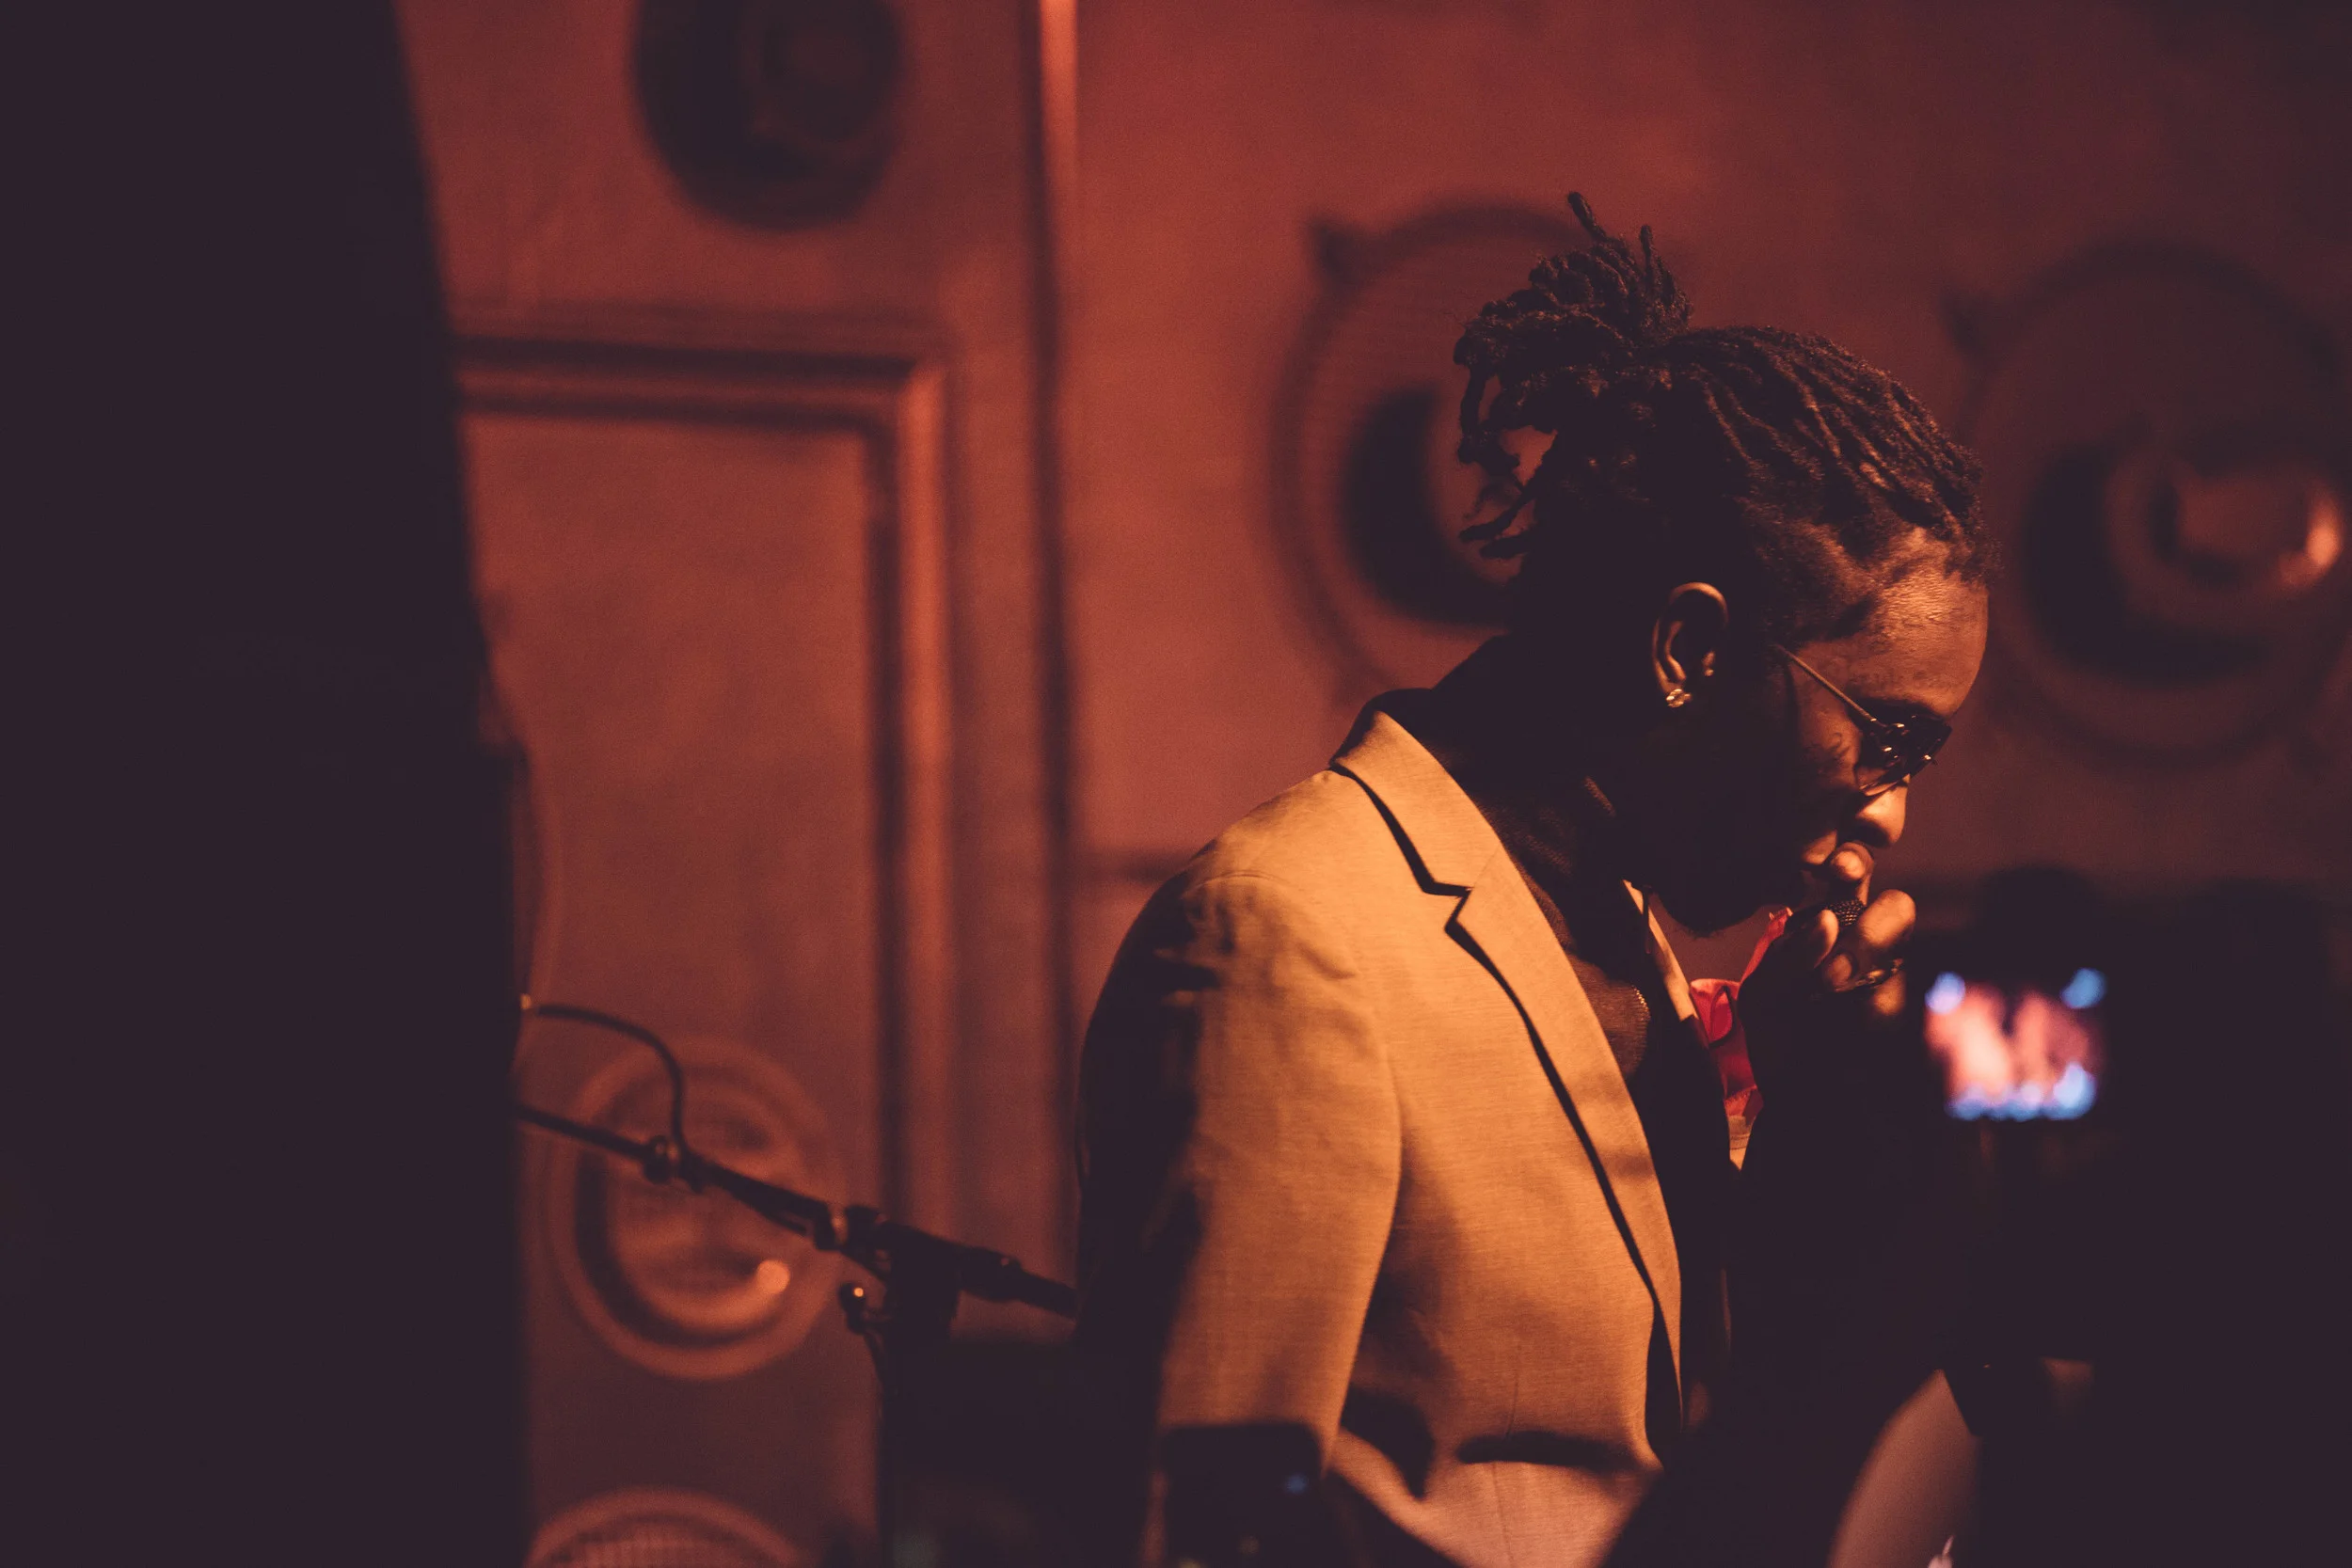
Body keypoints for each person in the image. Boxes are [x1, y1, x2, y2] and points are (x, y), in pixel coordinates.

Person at [1074, 194, 1994, 1567]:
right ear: (1691, 653)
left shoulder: (1625, 943)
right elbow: (1188, 1539)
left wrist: (1823, 1160)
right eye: (1889, 735)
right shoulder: (1286, 937)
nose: (1895, 810)